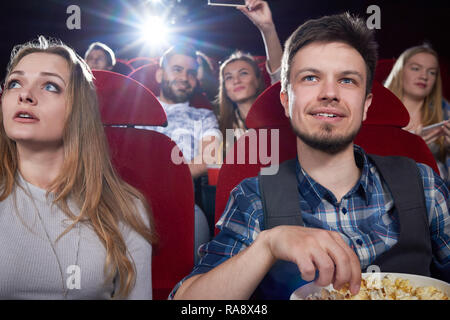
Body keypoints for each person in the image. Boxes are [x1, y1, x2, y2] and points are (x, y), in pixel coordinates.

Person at [171, 13, 450, 300]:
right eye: (311, 77)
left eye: (347, 80)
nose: (329, 93)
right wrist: (267, 245)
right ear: (286, 100)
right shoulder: (253, 198)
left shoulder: (424, 183)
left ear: (366, 105)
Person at [0, 36, 155, 299]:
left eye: (49, 86)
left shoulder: (125, 208)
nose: (25, 95)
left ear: (78, 109)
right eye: (15, 83)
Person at [136, 44, 221, 263]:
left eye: (191, 73)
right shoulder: (135, 112)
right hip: (132, 204)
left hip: (181, 204)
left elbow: (210, 157)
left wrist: (162, 181)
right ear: (160, 73)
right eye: (177, 69)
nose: (184, 77)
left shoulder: (202, 116)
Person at [218, 0, 283, 153]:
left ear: (258, 79)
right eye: (228, 77)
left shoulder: (278, 109)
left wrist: (267, 28)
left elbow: (279, 74)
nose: (236, 80)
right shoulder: (220, 127)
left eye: (243, 73)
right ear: (224, 89)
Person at [384, 45, 449, 186]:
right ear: (400, 71)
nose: (424, 76)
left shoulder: (445, 112)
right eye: (415, 68)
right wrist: (411, 148)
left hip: (437, 193)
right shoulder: (376, 110)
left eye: (432, 72)